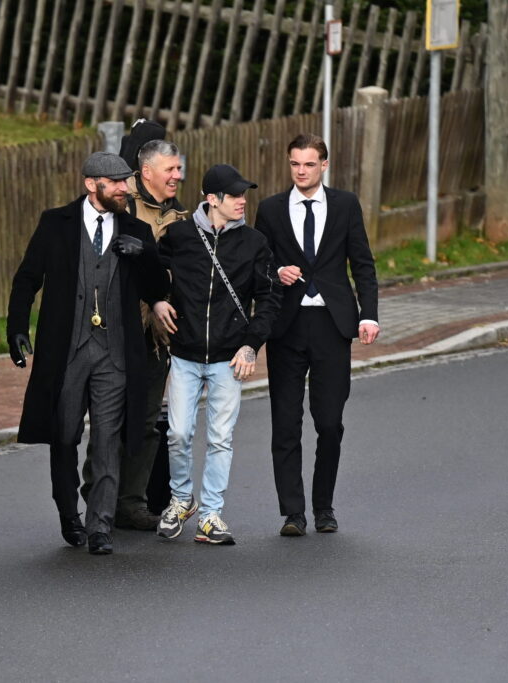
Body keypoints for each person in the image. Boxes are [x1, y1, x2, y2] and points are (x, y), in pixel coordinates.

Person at [6, 152, 169, 555]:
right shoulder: (55, 224)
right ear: (90, 184)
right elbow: (27, 278)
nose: (123, 189)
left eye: (125, 182)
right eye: (115, 183)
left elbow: (156, 289)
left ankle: (100, 526)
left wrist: (145, 255)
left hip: (115, 354)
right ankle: (69, 515)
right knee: (64, 435)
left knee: (109, 438)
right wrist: (16, 328)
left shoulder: (135, 230)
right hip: (68, 351)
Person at [254, 134, 379, 536]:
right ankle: (294, 513)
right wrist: (275, 273)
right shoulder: (270, 210)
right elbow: (258, 267)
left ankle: (323, 506)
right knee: (285, 424)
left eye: (309, 164)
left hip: (332, 324)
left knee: (329, 422)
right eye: (295, 164)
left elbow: (363, 263)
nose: (301, 171)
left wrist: (369, 315)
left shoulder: (345, 204)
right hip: (286, 328)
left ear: (324, 164)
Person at [152, 164, 280, 545]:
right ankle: (180, 499)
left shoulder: (254, 243)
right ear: (212, 199)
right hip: (185, 354)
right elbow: (156, 278)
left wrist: (250, 344)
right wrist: (159, 300)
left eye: (245, 194)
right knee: (178, 433)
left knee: (221, 438)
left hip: (229, 357)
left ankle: (210, 515)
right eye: (235, 195)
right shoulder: (177, 236)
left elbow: (269, 298)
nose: (243, 201)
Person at [82, 130, 188, 531]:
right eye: (171, 169)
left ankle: (131, 500)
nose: (177, 176)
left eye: (180, 169)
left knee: (145, 421)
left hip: (157, 336)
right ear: (147, 172)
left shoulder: (183, 218)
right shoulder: (123, 211)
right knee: (109, 416)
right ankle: (95, 491)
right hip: (115, 328)